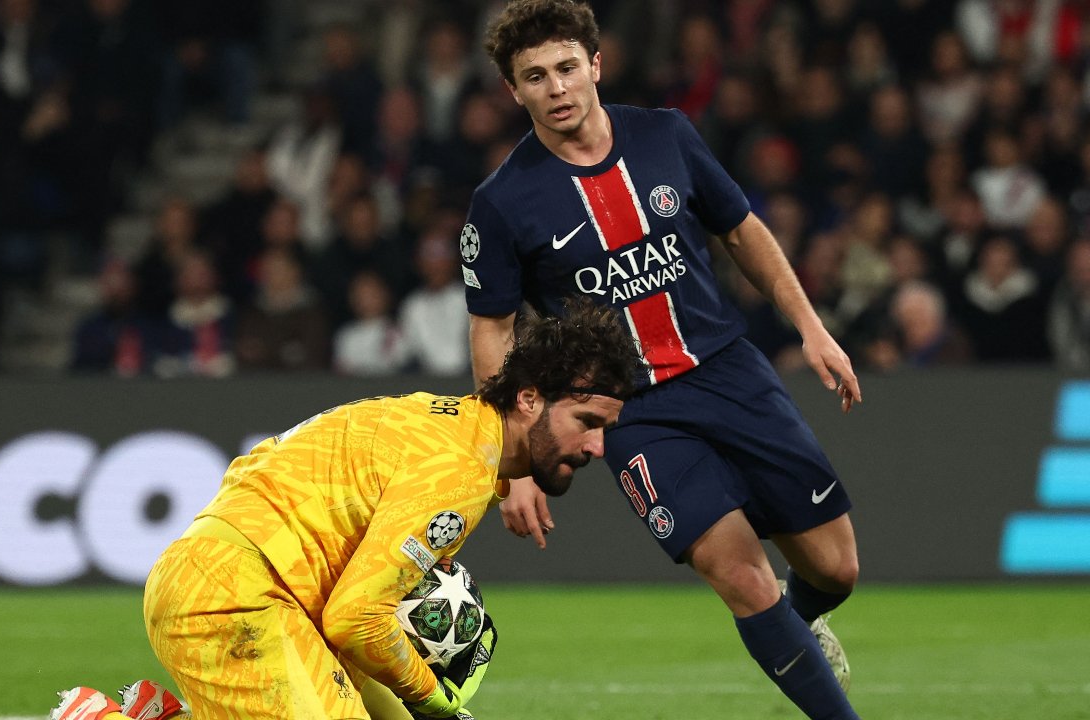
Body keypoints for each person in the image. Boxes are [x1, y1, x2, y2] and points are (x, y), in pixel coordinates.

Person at [462, 2, 862, 718]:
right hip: (632, 413)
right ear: (511, 91)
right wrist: (507, 465)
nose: (554, 88)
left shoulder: (666, 135)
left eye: (564, 68)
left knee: (836, 568)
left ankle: (803, 622)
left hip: (729, 372)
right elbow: (492, 332)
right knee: (742, 578)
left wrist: (811, 326)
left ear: (595, 65)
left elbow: (741, 231)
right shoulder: (501, 203)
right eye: (534, 77)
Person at [49, 297, 643, 720]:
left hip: (243, 586)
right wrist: (434, 700)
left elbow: (349, 625)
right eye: (587, 423)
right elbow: (356, 618)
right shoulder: (459, 471)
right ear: (530, 397)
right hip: (239, 596)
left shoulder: (443, 423)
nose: (596, 447)